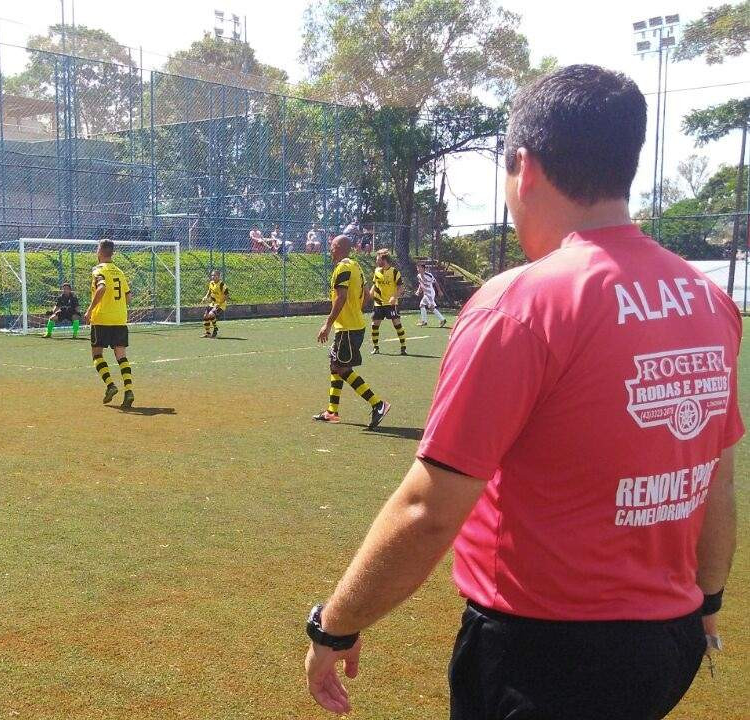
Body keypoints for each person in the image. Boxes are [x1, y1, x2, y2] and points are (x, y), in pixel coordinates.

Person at [303, 64, 741, 720]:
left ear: (523, 168)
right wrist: (706, 605)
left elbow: (427, 509)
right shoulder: (708, 301)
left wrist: (332, 625)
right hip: (667, 642)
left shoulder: (519, 305)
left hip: (543, 657)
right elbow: (716, 483)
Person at [313, 235, 390, 428]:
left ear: (339, 247)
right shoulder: (356, 266)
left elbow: (341, 297)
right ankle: (332, 411)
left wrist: (327, 324)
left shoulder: (342, 268)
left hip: (347, 328)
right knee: (335, 364)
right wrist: (355, 310)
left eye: (331, 246)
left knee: (342, 368)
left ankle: (378, 404)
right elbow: (365, 295)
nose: (329, 250)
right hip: (353, 325)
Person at [85, 239, 134, 409]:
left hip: (102, 319)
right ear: (112, 253)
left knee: (97, 355)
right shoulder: (120, 272)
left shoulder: (98, 270)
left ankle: (111, 385)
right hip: (120, 319)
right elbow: (128, 297)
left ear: (99, 251)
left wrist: (90, 309)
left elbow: (102, 287)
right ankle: (129, 391)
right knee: (121, 356)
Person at [369, 249, 407, 355]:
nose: (376, 260)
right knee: (374, 325)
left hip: (391, 304)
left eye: (378, 259)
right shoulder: (376, 271)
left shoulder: (394, 272)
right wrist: (368, 295)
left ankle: (403, 347)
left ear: (383, 259)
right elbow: (374, 284)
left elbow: (401, 288)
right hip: (378, 303)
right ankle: (376, 347)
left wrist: (394, 297)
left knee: (397, 325)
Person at [416, 261, 447, 327]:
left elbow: (435, 283)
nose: (418, 269)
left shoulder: (429, 275)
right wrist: (418, 290)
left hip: (430, 293)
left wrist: (439, 291)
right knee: (421, 305)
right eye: (417, 268)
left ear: (423, 268)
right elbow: (420, 284)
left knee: (431, 307)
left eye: (419, 268)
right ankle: (424, 321)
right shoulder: (418, 276)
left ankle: (442, 319)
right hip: (426, 293)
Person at [201, 270, 230, 338]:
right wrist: (206, 297)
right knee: (205, 316)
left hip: (221, 305)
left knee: (211, 314)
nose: (213, 277)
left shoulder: (222, 285)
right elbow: (209, 291)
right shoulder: (211, 283)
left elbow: (227, 296)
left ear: (219, 276)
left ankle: (215, 327)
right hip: (213, 304)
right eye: (212, 275)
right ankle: (208, 333)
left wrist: (219, 303)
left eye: (215, 275)